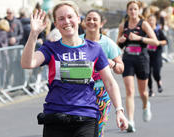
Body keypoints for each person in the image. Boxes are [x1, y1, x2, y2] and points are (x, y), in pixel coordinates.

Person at [21, 2, 128, 137]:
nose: (66, 21)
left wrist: (119, 110)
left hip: (86, 118)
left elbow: (110, 82)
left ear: (78, 19)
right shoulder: (50, 48)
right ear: (56, 23)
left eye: (70, 17)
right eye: (61, 18)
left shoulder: (94, 49)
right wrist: (33, 34)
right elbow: (27, 63)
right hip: (56, 117)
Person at [79, 10, 124, 137]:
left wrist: (113, 64)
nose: (91, 22)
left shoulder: (108, 43)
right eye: (88, 19)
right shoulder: (77, 42)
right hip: (81, 91)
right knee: (80, 128)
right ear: (84, 22)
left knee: (97, 129)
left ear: (101, 23)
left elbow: (121, 68)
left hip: (101, 91)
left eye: (94, 19)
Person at [117, 1, 159, 133]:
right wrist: (120, 41)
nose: (133, 12)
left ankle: (146, 106)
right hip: (128, 58)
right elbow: (117, 46)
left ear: (139, 11)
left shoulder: (144, 24)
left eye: (135, 9)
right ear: (127, 11)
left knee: (143, 93)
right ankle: (130, 120)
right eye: (130, 9)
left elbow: (155, 41)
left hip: (141, 58)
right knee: (129, 91)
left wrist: (139, 38)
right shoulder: (122, 25)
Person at [147, 15, 168, 97]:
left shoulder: (158, 31)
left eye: (152, 20)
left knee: (156, 72)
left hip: (157, 54)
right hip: (147, 54)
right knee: (147, 73)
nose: (151, 22)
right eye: (149, 20)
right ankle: (150, 90)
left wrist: (158, 43)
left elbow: (166, 41)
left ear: (155, 21)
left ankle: (159, 82)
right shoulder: (145, 31)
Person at [4, 8, 24, 87]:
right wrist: (8, 40)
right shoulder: (3, 21)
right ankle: (5, 84)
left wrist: (15, 39)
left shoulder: (17, 22)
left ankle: (15, 83)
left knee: (14, 66)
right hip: (5, 48)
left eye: (10, 13)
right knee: (7, 67)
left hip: (15, 48)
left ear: (14, 13)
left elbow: (21, 34)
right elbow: (1, 34)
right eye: (7, 13)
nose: (9, 14)